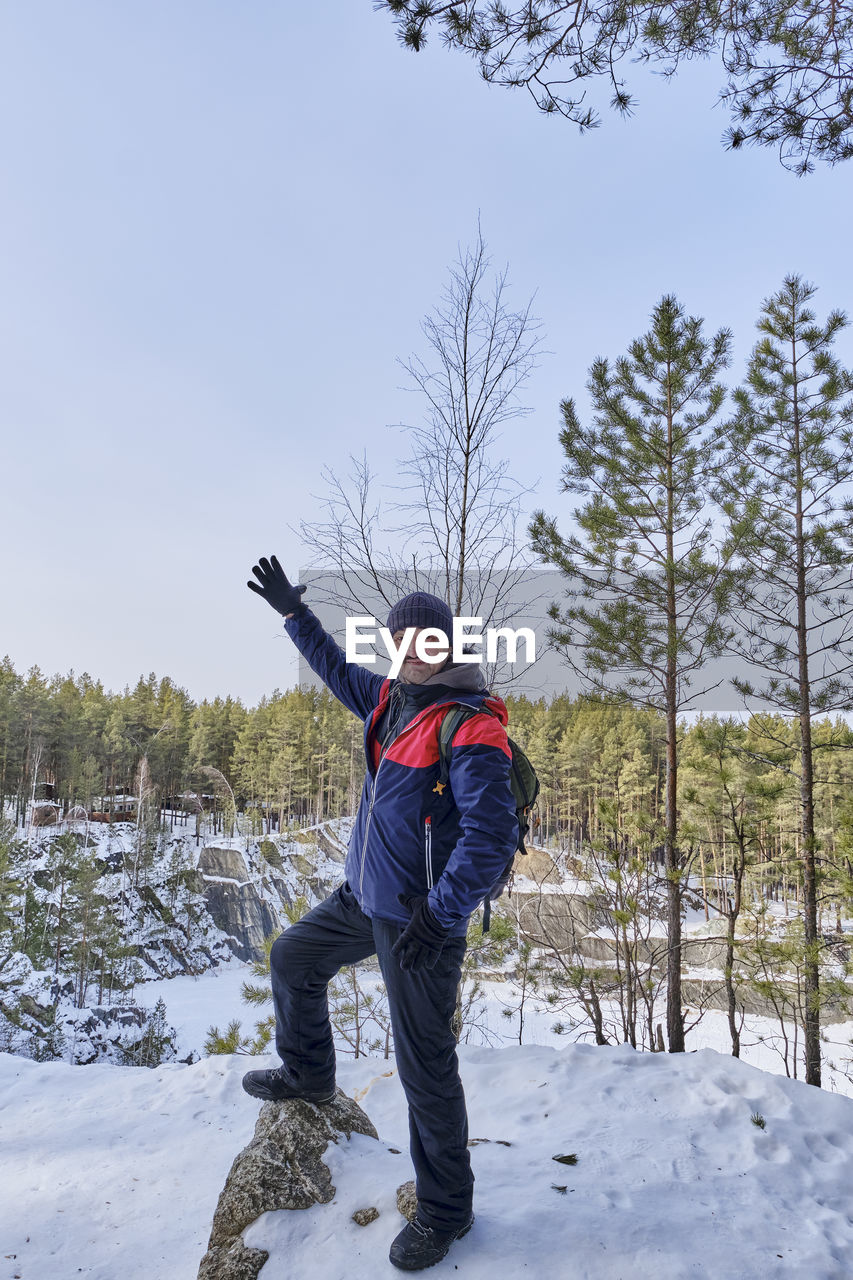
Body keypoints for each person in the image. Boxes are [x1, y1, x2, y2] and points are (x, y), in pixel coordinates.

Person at [243, 556, 518, 1272]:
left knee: (424, 1068)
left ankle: (446, 1212)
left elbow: (491, 840)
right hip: (365, 897)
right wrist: (293, 616)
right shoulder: (390, 700)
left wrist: (439, 916)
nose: (409, 649)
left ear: (445, 646)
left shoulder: (470, 725)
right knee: (293, 958)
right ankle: (307, 1074)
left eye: (423, 639)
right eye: (400, 639)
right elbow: (335, 669)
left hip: (418, 922)